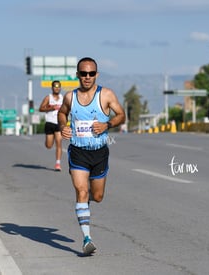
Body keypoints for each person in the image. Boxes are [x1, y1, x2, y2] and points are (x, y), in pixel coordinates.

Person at [58, 57, 126, 255]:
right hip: (78, 152)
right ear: (77, 74)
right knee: (81, 192)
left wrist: (107, 125)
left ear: (96, 74)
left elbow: (121, 115)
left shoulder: (105, 94)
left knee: (97, 196)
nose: (87, 77)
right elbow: (62, 113)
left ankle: (85, 200)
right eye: (83, 73)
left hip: (99, 153)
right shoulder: (70, 97)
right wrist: (63, 127)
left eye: (91, 73)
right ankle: (87, 239)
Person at [39, 80, 64, 171]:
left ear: (60, 88)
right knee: (49, 145)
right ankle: (48, 142)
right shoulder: (48, 98)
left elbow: (67, 108)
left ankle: (58, 163)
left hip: (59, 123)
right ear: (52, 88)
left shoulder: (63, 98)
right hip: (49, 123)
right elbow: (41, 108)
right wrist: (51, 107)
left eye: (58, 87)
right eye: (55, 87)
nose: (57, 88)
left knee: (59, 143)